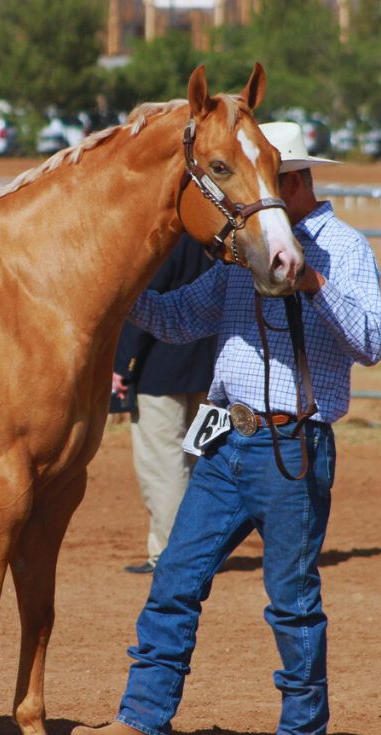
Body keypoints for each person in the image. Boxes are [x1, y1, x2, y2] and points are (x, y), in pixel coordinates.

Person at [73, 121, 381, 735]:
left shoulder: (343, 248)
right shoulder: (243, 250)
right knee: (174, 579)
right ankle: (141, 719)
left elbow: (373, 342)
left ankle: (302, 728)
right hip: (226, 442)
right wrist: (115, 288)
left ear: (290, 179)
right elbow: (179, 317)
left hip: (291, 445)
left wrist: (312, 282)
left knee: (292, 603)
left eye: (267, 177)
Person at [112, 237, 216, 575]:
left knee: (164, 464)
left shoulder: (163, 242)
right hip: (208, 366)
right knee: (199, 460)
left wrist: (123, 365)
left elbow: (142, 308)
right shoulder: (214, 235)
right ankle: (204, 550)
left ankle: (172, 554)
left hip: (159, 370)